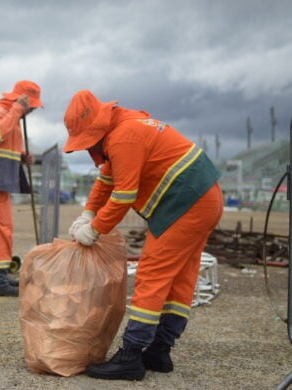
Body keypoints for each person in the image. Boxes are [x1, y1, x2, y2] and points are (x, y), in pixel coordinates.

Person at [63, 90, 223, 381]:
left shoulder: (124, 136)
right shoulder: (124, 126)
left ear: (96, 131)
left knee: (153, 274)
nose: (90, 149)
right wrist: (87, 213)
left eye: (88, 142)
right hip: (203, 199)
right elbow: (106, 180)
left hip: (187, 203)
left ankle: (131, 356)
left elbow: (123, 196)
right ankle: (159, 351)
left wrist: (95, 229)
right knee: (180, 278)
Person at [0, 80, 43, 297]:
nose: (32, 110)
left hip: (0, 181)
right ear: (22, 101)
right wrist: (16, 110)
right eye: (31, 105)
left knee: (4, 229)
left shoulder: (11, 115)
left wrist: (21, 157)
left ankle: (0, 277)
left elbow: (2, 145)